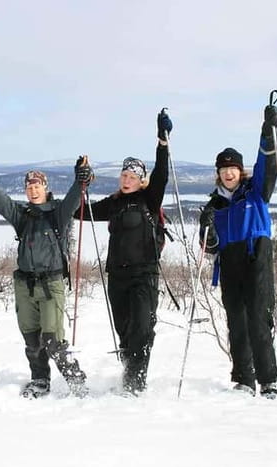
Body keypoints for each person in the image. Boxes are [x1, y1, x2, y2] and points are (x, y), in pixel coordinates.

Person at [0, 123, 93, 399]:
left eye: (37, 185)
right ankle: (40, 380)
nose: (32, 190)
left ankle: (76, 380)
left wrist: (82, 179)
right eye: (28, 186)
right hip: (25, 285)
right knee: (32, 339)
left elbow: (73, 199)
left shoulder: (57, 214)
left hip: (51, 284)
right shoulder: (22, 216)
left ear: (45, 189)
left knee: (53, 340)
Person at [74, 109, 172, 395]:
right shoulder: (114, 203)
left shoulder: (149, 199)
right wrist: (78, 183)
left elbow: (162, 175)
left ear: (141, 179)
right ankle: (130, 370)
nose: (126, 179)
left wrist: (162, 142)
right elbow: (81, 212)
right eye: (123, 174)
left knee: (142, 328)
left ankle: (135, 382)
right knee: (126, 330)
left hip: (145, 275)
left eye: (132, 175)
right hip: (117, 276)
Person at [198, 104, 277, 398]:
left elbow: (267, 165)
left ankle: (269, 380)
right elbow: (208, 247)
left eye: (232, 168)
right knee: (236, 320)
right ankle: (244, 379)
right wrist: (206, 226)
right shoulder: (215, 205)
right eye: (223, 169)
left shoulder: (255, 191)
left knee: (259, 318)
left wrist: (268, 131)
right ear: (218, 174)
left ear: (239, 170)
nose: (228, 173)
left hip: (256, 255)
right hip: (230, 263)